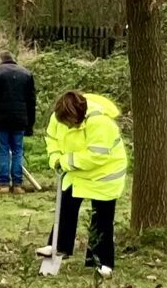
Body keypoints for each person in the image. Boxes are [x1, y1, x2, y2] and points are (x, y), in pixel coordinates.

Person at [38, 90, 126, 275]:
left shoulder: (100, 122)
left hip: (104, 173)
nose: (67, 127)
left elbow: (96, 155)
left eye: (69, 123)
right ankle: (59, 246)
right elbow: (52, 138)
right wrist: (54, 158)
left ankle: (102, 262)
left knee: (102, 217)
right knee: (65, 208)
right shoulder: (58, 117)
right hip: (75, 170)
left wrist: (65, 162)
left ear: (78, 114)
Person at [0, 50, 37, 193]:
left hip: (1, 119)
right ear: (13, 59)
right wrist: (30, 124)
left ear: (0, 60)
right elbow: (32, 101)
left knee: (4, 150)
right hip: (20, 119)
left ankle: (4, 183)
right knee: (18, 150)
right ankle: (18, 185)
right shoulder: (26, 74)